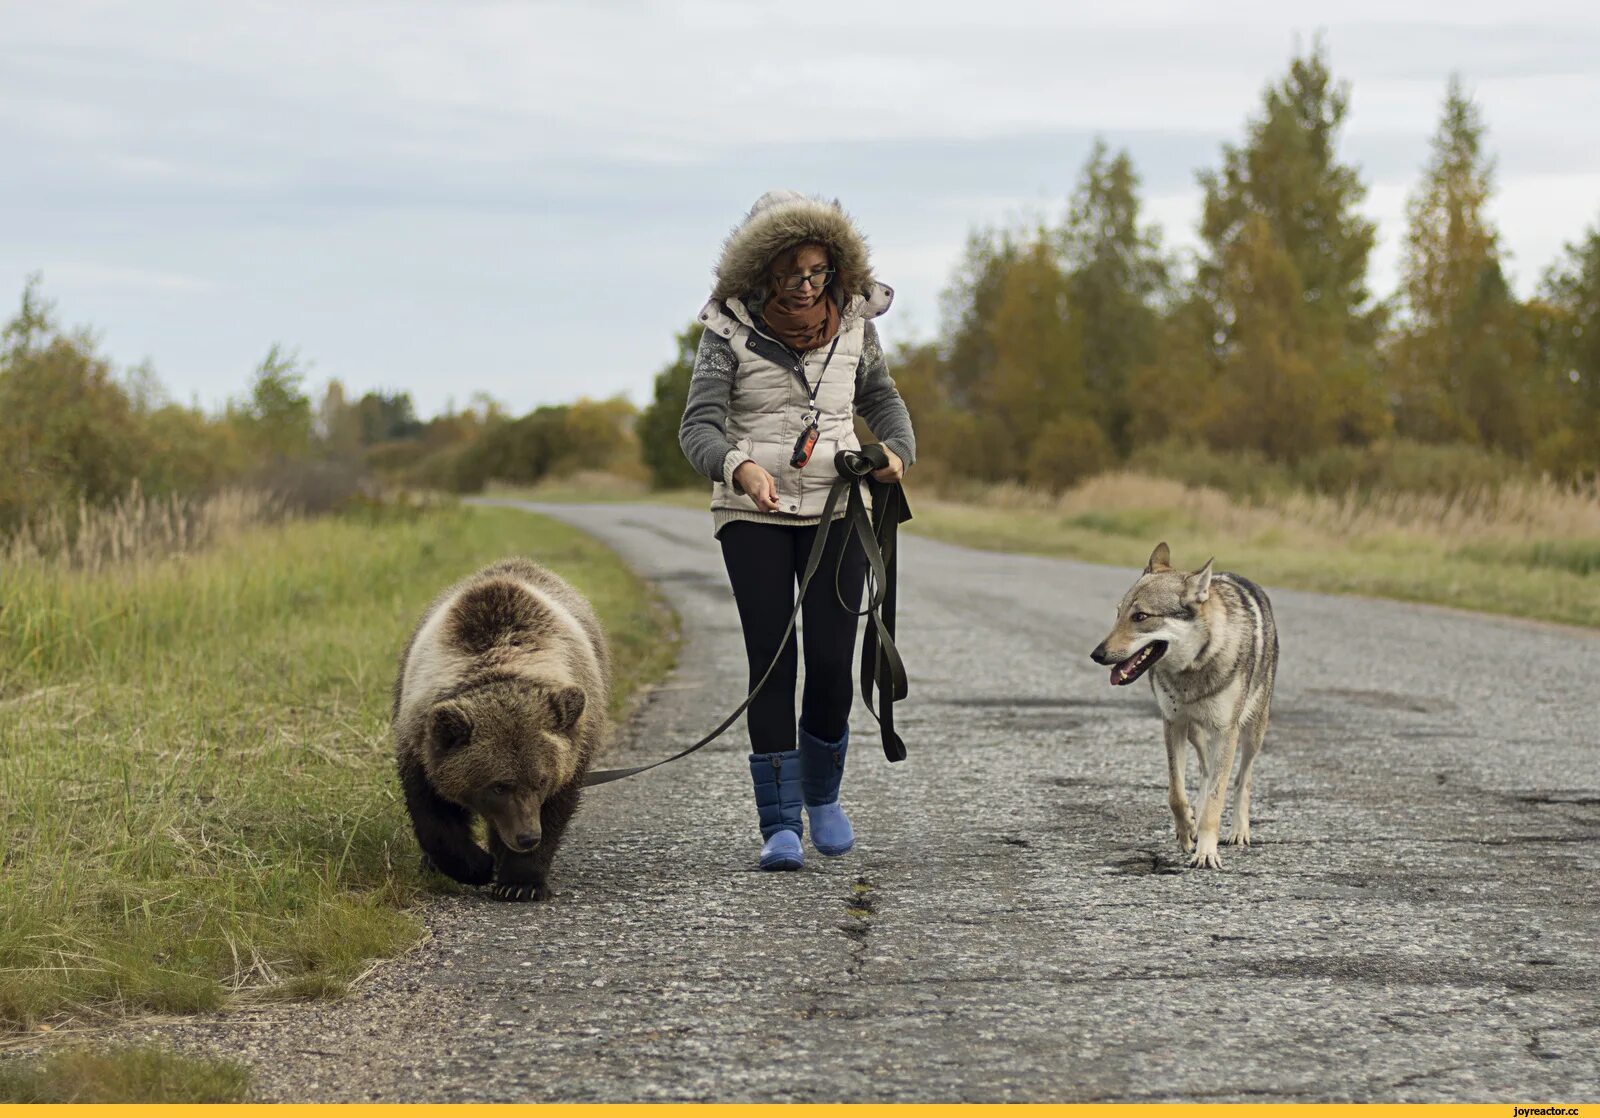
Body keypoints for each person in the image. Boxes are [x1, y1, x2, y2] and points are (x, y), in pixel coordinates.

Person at [679, 190, 916, 872]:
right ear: (763, 274)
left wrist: (897, 449)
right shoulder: (727, 332)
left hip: (842, 508)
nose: (807, 285)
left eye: (817, 271)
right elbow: (697, 427)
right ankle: (780, 822)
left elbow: (881, 398)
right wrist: (738, 467)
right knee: (773, 662)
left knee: (834, 665)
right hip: (754, 511)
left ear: (834, 266)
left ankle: (824, 798)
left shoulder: (855, 325)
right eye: (792, 274)